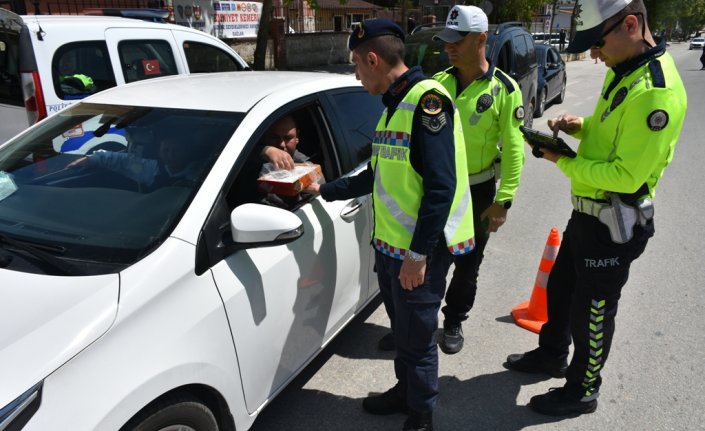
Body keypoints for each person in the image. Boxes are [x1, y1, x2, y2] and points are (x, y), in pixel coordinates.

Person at [505, 0, 687, 417]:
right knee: (562, 287)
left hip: (612, 221)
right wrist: (580, 125)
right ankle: (552, 353)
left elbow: (625, 175)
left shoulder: (656, 91)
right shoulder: (627, 68)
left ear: (630, 24)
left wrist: (561, 160)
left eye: (598, 43)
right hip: (588, 211)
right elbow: (613, 131)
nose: (593, 54)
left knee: (593, 311)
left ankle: (583, 390)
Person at [305, 18, 475, 431]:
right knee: (403, 334)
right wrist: (324, 189)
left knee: (417, 341)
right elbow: (377, 174)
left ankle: (422, 415)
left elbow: (440, 187)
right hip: (391, 249)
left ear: (374, 59)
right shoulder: (394, 107)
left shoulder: (426, 102)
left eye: (357, 67)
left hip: (421, 252)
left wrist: (418, 256)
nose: (356, 75)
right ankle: (406, 393)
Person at [417, 5, 525, 355]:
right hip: (437, 189)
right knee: (427, 258)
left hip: (478, 192)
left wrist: (503, 200)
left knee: (467, 264)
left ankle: (454, 320)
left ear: (481, 39)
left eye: (457, 40)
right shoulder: (437, 85)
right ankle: (418, 324)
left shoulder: (504, 89)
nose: (449, 47)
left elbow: (513, 149)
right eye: (446, 40)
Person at [68, 133, 200, 187]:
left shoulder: (198, 175)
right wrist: (91, 160)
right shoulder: (154, 168)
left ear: (186, 151)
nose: (170, 155)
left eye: (175, 151)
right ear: (159, 152)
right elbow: (122, 161)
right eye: (166, 150)